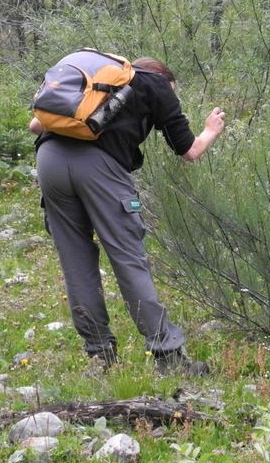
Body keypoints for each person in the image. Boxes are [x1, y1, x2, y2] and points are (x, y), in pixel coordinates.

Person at [29, 56, 225, 375]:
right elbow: (190, 151)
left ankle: (100, 355)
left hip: (49, 161)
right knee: (128, 258)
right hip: (99, 167)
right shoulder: (156, 84)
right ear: (165, 79)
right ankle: (168, 357)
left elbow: (36, 125)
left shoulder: (97, 82)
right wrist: (210, 130)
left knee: (75, 261)